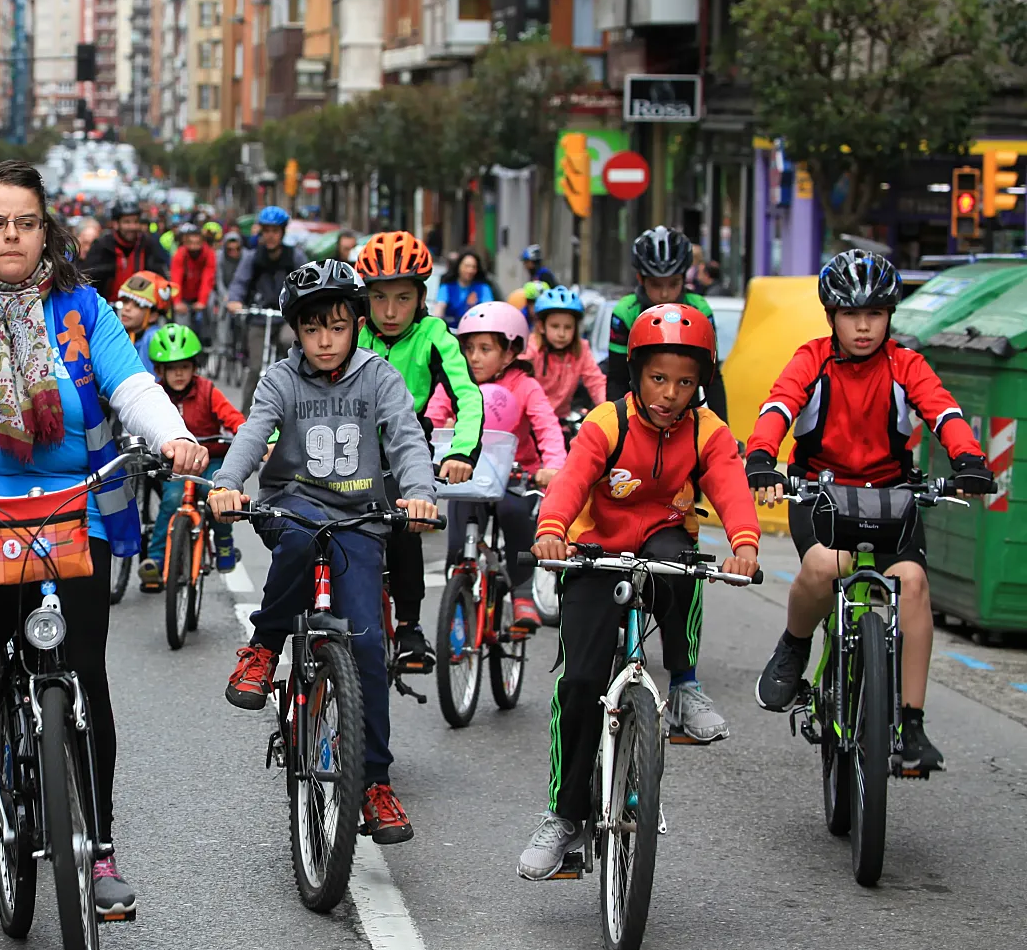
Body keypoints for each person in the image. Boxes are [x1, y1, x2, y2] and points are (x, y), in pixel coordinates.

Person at [0, 159, 205, 916]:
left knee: (85, 675)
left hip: (69, 500)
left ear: (45, 230)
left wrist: (175, 438)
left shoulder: (83, 308)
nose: (12, 235)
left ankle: (100, 855)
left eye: (25, 221)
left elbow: (132, 388)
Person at [520, 303, 760, 879]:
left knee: (684, 563)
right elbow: (573, 481)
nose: (670, 393)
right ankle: (564, 816)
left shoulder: (709, 431)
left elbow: (729, 485)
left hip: (661, 544)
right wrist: (552, 531)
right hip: (592, 553)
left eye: (684, 382)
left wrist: (746, 544)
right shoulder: (607, 422)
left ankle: (684, 686)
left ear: (700, 383)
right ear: (636, 373)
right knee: (579, 683)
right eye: (658, 378)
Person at [208, 260, 439, 844]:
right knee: (299, 540)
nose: (326, 340)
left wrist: (417, 495)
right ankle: (263, 648)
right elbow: (254, 434)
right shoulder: (279, 381)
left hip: (360, 517)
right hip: (294, 503)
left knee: (366, 645)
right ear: (296, 333)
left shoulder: (380, 376)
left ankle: (375, 785)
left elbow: (407, 436)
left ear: (356, 325)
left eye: (338, 327)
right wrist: (227, 485)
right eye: (313, 330)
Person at [746, 250, 994, 772]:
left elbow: (943, 410)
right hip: (821, 496)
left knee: (915, 583)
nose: (863, 326)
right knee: (821, 566)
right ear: (831, 316)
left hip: (893, 499)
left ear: (890, 316)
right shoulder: (811, 359)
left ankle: (912, 722)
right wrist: (762, 459)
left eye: (875, 314)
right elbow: (779, 406)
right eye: (851, 314)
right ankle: (794, 646)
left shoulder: (907, 366)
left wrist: (970, 458)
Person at [353, 231, 482, 671]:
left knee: (406, 519)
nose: (390, 312)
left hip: (403, 450)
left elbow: (468, 396)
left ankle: (409, 627)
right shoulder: (347, 330)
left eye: (403, 298)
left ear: (422, 296)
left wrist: (461, 451)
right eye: (379, 298)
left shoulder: (434, 335)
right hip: (341, 447)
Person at [426, 301, 565, 631]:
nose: (473, 357)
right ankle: (457, 602)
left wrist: (554, 467)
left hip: (517, 474)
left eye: (485, 349)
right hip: (467, 475)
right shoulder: (456, 381)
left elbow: (547, 427)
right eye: (469, 347)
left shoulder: (524, 385)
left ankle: (521, 593)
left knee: (516, 514)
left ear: (510, 352)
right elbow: (429, 420)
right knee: (458, 536)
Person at [137, 324, 244, 593]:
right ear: (159, 371)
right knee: (171, 501)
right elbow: (140, 420)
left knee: (218, 498)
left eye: (185, 366)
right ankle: (156, 559)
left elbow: (232, 418)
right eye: (172, 368)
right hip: (178, 466)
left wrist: (245, 435)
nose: (180, 373)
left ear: (195, 366)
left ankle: (224, 545)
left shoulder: (208, 391)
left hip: (211, 459)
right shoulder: (156, 394)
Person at [607, 226, 727, 418]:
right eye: (655, 284)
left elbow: (713, 380)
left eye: (673, 284)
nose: (664, 294)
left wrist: (724, 432)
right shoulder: (625, 312)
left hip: (686, 412)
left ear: (684, 277)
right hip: (638, 415)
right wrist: (617, 429)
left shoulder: (700, 310)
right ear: (641, 279)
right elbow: (617, 379)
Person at [523, 285, 605, 418]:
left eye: (568, 327)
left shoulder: (581, 349)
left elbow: (596, 382)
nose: (561, 334)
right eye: (555, 326)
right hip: (531, 420)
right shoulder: (531, 349)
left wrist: (609, 410)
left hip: (561, 421)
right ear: (541, 327)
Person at [81, 195, 171, 300]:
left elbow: (160, 274)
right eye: (127, 222)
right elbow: (89, 278)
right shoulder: (102, 246)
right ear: (116, 224)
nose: (132, 227)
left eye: (135, 222)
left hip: (141, 306)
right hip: (107, 306)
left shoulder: (148, 244)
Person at [226, 207, 304, 313]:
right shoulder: (252, 257)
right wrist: (234, 300)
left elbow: (308, 284)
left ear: (283, 232)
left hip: (287, 318)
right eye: (266, 231)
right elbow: (239, 282)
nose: (270, 236)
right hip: (258, 315)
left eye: (275, 231)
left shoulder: (295, 256)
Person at [167, 223, 216, 339]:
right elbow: (176, 279)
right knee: (181, 319)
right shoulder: (180, 254)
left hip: (201, 293)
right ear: (185, 243)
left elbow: (208, 279)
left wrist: (202, 301)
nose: (194, 247)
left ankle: (208, 340)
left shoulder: (209, 254)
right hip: (183, 294)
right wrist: (177, 301)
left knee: (210, 305)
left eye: (197, 243)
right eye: (191, 243)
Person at [115, 271, 173, 366]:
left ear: (152, 316)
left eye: (138, 305)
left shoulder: (153, 337)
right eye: (125, 301)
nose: (127, 308)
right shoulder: (125, 334)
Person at [435, 250, 494, 327]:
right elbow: (439, 309)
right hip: (451, 331)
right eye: (467, 266)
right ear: (459, 266)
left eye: (474, 267)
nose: (470, 270)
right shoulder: (446, 287)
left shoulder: (483, 288)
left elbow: (489, 311)